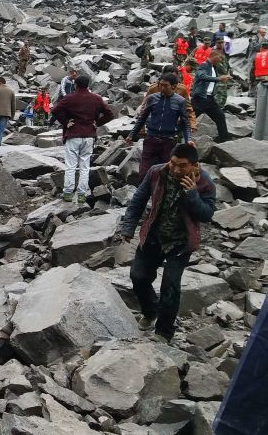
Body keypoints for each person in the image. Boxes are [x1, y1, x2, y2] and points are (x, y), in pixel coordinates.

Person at [118, 143, 216, 341]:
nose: (176, 169)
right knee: (138, 276)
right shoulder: (157, 172)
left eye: (182, 166)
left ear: (194, 165)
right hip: (154, 234)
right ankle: (150, 310)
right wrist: (128, 227)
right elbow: (138, 199)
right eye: (173, 164)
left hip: (180, 242)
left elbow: (206, 215)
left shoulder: (205, 183)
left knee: (170, 287)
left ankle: (164, 333)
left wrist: (192, 194)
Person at [51, 74, 114, 203]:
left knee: (70, 166)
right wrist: (98, 123)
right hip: (89, 135)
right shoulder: (96, 98)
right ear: (88, 85)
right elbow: (109, 113)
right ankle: (81, 195)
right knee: (85, 167)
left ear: (76, 85)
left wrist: (66, 122)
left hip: (73, 134)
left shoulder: (70, 98)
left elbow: (55, 110)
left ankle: (68, 193)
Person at [126, 73, 193, 181]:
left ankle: (158, 195)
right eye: (160, 85)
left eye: (165, 85)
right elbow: (142, 118)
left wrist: (188, 139)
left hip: (168, 141)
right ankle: (142, 194)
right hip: (151, 139)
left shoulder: (180, 101)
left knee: (164, 173)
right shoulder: (152, 98)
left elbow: (185, 122)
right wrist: (131, 135)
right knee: (144, 171)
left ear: (174, 86)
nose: (162, 88)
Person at [192, 50, 232, 143]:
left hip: (209, 99)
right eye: (219, 58)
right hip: (200, 98)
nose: (220, 60)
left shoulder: (213, 67)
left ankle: (224, 139)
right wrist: (219, 79)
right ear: (213, 56)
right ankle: (175, 135)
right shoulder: (204, 65)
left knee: (220, 116)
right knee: (189, 119)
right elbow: (202, 76)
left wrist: (223, 78)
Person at [141, 65, 197, 132]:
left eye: (174, 78)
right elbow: (144, 108)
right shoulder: (154, 89)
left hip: (174, 122)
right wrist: (141, 129)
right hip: (155, 122)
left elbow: (188, 109)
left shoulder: (181, 89)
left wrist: (192, 124)